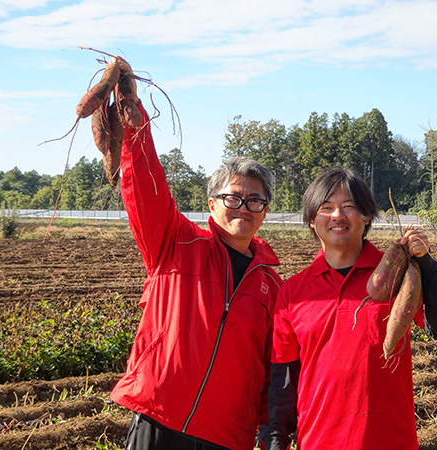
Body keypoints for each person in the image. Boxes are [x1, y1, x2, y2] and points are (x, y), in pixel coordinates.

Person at [107, 57, 283, 450]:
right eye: (233, 197)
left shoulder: (272, 285)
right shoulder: (176, 242)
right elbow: (147, 191)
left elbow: (275, 369)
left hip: (225, 434)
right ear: (212, 203)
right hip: (159, 416)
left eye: (256, 200)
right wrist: (136, 126)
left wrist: (275, 433)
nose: (244, 207)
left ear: (265, 211)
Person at [261, 167, 437, 450]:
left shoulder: (397, 276)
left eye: (349, 207)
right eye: (326, 207)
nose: (337, 216)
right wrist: (275, 442)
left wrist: (426, 265)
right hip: (318, 442)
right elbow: (283, 384)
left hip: (390, 441)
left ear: (366, 217)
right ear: (310, 220)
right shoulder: (293, 292)